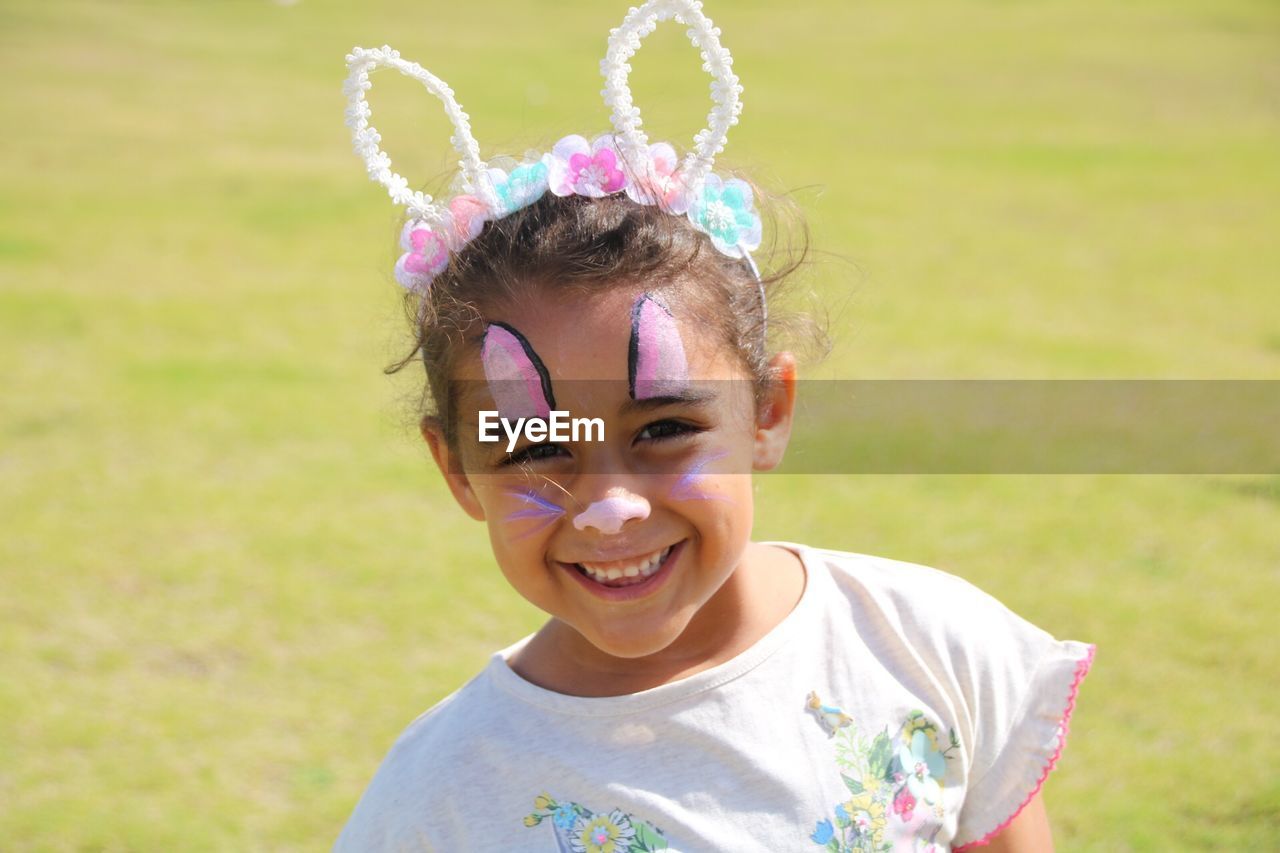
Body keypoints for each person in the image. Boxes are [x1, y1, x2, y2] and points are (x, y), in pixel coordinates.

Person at [335, 2, 1095, 850]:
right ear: (457, 471)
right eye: (537, 447)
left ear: (768, 412)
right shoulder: (443, 798)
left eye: (663, 428)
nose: (611, 507)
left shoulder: (923, 644)